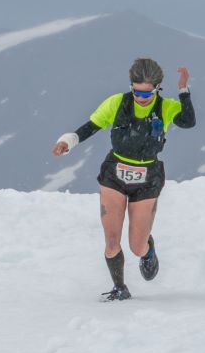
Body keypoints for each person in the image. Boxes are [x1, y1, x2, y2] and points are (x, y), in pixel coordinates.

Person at [52, 57, 195, 301]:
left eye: (147, 94)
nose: (141, 98)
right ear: (131, 86)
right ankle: (120, 288)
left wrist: (183, 90)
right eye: (137, 92)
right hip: (114, 174)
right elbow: (90, 127)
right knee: (111, 240)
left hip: (148, 178)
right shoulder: (116, 103)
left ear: (158, 88)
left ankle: (148, 249)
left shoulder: (167, 107)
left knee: (136, 246)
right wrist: (68, 141)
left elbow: (189, 122)